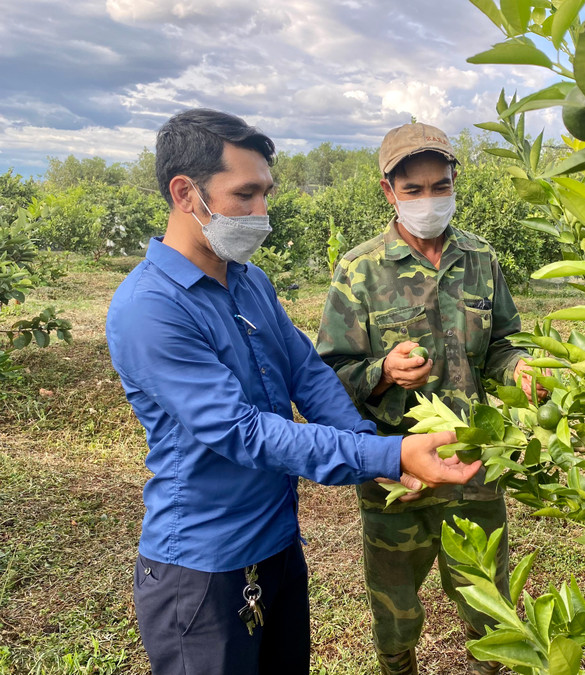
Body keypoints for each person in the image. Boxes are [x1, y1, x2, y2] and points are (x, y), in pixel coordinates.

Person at [105, 109, 480, 675]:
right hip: (205, 566)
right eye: (246, 195)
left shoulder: (248, 280)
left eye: (266, 194)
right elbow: (240, 432)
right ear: (186, 193)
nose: (263, 214)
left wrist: (365, 445)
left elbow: (307, 372)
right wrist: (387, 452)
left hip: (277, 543)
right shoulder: (150, 309)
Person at [316, 122, 544, 675]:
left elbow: (503, 345)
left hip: (473, 463)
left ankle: (489, 665)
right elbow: (328, 374)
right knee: (395, 602)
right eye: (412, 189)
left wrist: (522, 369)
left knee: (486, 596)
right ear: (388, 191)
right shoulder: (360, 270)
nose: (428, 199)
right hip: (399, 472)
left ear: (454, 182)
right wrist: (384, 372)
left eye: (439, 186)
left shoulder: (481, 259)